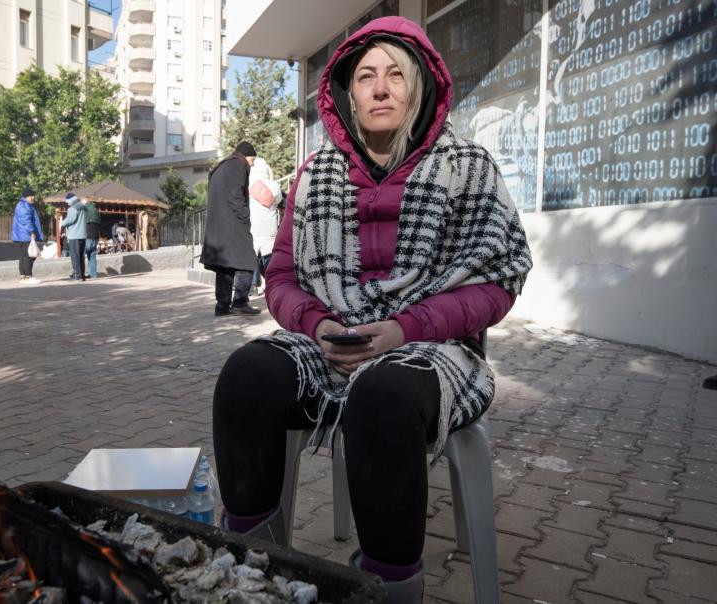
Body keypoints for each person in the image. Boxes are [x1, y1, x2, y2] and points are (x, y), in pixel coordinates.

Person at [212, 17, 532, 602]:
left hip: (433, 347)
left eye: (395, 76)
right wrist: (318, 324)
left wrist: (404, 328)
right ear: (347, 94)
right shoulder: (315, 175)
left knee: (383, 399)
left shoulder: (468, 165)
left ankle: (388, 589)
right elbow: (281, 275)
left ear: (418, 89)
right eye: (365, 77)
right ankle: (249, 569)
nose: (380, 89)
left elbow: (499, 279)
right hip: (329, 338)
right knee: (246, 376)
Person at [200, 141, 262, 317]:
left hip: (218, 225)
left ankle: (222, 306)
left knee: (225, 266)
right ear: (245, 155)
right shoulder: (237, 164)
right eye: (253, 159)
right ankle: (240, 302)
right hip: (232, 223)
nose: (253, 163)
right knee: (248, 261)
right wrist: (245, 217)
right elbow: (236, 195)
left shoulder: (222, 166)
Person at [247, 156, 281, 296]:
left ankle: (252, 286)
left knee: (251, 258)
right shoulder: (274, 185)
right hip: (270, 228)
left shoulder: (247, 184)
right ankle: (273, 284)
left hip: (253, 227)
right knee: (269, 259)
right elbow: (278, 201)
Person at [11, 186, 43, 284]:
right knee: (29, 255)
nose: (33, 197)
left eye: (33, 195)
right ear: (26, 196)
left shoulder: (22, 205)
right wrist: (32, 232)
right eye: (31, 195)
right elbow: (26, 221)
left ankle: (23, 277)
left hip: (21, 235)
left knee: (23, 256)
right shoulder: (25, 206)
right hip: (25, 235)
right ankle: (28, 276)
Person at [60, 192, 87, 281]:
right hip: (83, 235)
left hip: (74, 235)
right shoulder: (83, 207)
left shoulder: (73, 208)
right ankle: (82, 274)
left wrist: (62, 223)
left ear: (71, 200)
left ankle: (77, 275)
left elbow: (70, 220)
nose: (67, 203)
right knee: (81, 256)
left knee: (75, 256)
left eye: (67, 201)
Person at [84, 198, 101, 278]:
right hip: (95, 237)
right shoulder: (97, 211)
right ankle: (93, 274)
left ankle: (79, 273)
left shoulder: (85, 210)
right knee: (92, 255)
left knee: (81, 255)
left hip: (87, 236)